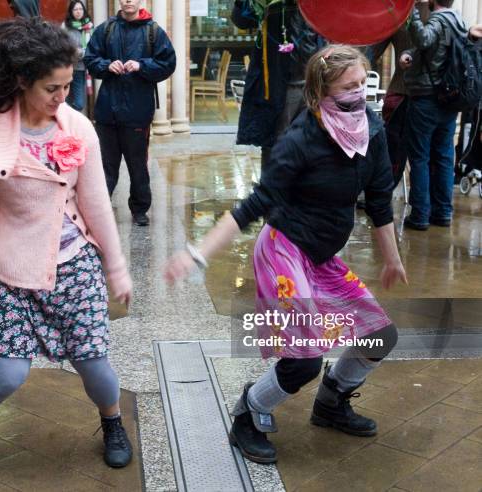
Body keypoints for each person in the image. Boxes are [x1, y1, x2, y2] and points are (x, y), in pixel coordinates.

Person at [165, 45, 407, 464]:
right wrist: (198, 254)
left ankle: (331, 402)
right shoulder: (301, 138)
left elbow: (381, 198)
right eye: (348, 86)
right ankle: (249, 412)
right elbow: (254, 204)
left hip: (321, 257)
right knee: (304, 359)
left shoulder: (371, 128)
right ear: (322, 89)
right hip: (284, 252)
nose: (358, 93)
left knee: (380, 336)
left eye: (361, 84)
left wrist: (392, 258)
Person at [0, 17, 133, 474]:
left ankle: (113, 420)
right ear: (21, 81)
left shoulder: (78, 128)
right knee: (8, 376)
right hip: (10, 270)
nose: (63, 97)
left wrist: (116, 267)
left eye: (68, 84)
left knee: (95, 366)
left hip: (73, 265)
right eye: (52, 88)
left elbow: (97, 204)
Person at [84, 0, 176, 227]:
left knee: (137, 165)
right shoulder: (106, 29)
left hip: (137, 110)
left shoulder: (153, 31)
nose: (128, 1)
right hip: (107, 111)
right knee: (105, 166)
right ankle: (99, 211)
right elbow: (90, 59)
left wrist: (142, 66)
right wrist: (106, 65)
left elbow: (168, 63)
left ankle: (139, 209)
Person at [399, 0, 468, 230]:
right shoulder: (459, 21)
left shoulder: (437, 19)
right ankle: (443, 213)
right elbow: (430, 49)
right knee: (444, 157)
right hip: (448, 99)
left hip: (426, 99)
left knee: (420, 158)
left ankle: (419, 215)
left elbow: (424, 39)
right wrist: (410, 53)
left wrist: (411, 11)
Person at [231, 0, 324, 167]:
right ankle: (272, 188)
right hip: (278, 80)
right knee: (277, 139)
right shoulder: (269, 5)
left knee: (312, 140)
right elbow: (242, 20)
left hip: (312, 78)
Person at [367, 2, 430, 188]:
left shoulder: (404, 13)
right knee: (398, 150)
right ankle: (387, 193)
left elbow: (372, 52)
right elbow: (373, 50)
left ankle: (385, 193)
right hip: (406, 92)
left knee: (399, 150)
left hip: (412, 93)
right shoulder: (399, 13)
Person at [62, 0, 93, 112]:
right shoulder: (66, 27)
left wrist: (82, 53)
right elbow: (63, 47)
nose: (78, 12)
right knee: (72, 101)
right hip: (68, 67)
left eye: (80, 9)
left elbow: (93, 45)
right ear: (71, 11)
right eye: (75, 9)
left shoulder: (89, 26)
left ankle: (69, 122)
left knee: (78, 102)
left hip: (84, 68)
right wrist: (78, 52)